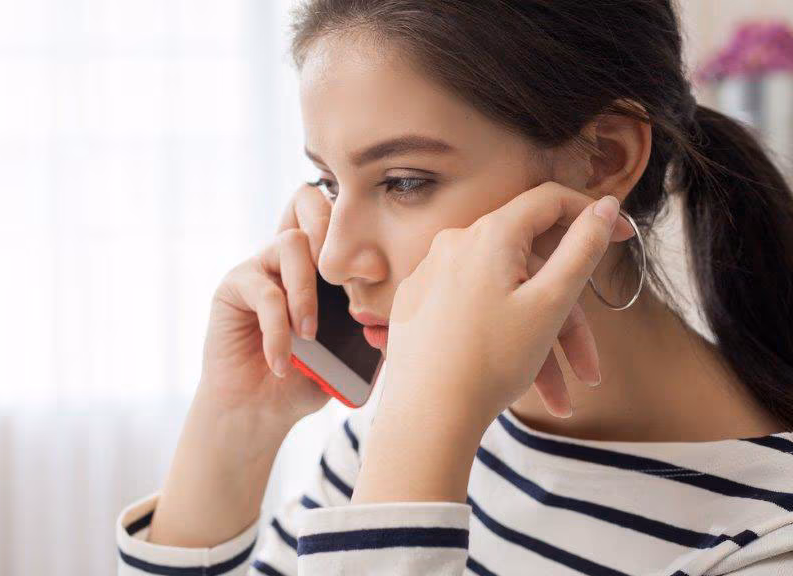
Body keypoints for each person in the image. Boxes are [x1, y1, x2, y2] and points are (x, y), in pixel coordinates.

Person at [116, 0, 793, 574]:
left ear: (604, 158)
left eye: (405, 181)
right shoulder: (410, 427)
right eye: (329, 183)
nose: (336, 259)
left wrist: (423, 434)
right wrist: (236, 427)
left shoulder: (765, 544)